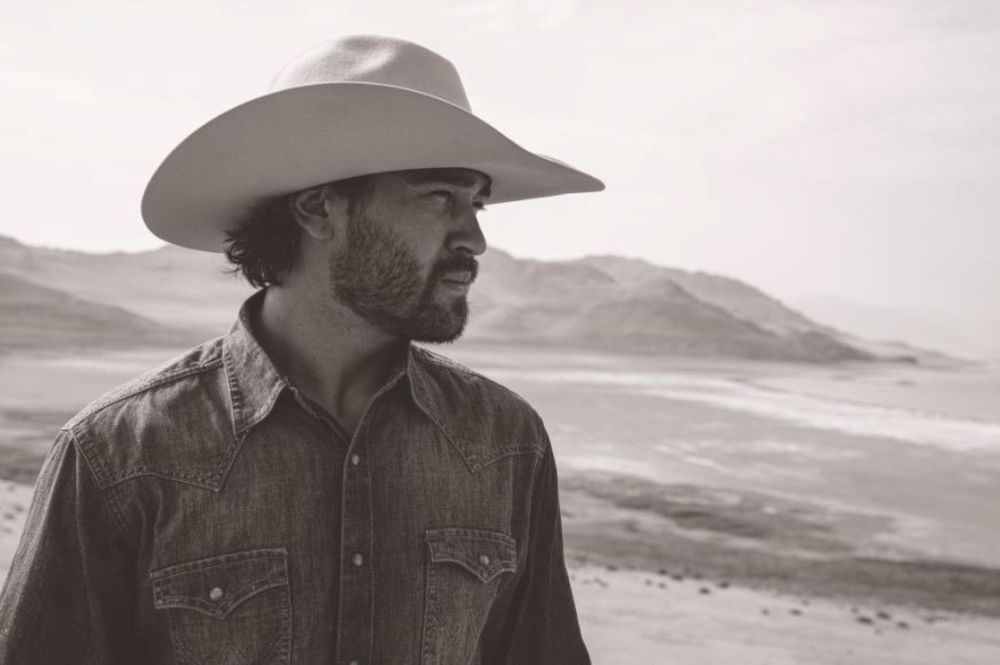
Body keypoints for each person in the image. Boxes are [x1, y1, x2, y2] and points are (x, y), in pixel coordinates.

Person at [0, 35, 603, 664]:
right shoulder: (121, 453)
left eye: (476, 203)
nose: (474, 238)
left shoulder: (505, 441)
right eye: (438, 197)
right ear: (319, 209)